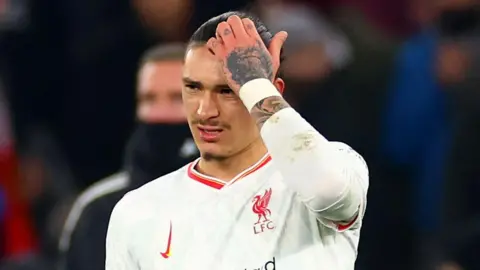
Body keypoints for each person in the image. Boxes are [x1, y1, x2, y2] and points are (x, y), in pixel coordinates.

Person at [106, 11, 369, 270]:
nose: (204, 111)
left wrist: (252, 81)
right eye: (193, 88)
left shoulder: (339, 164)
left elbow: (327, 192)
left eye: (227, 90)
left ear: (270, 91)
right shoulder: (137, 211)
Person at [58, 43, 198, 270]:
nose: (159, 113)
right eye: (149, 99)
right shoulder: (98, 212)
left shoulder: (248, 202)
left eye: (177, 98)